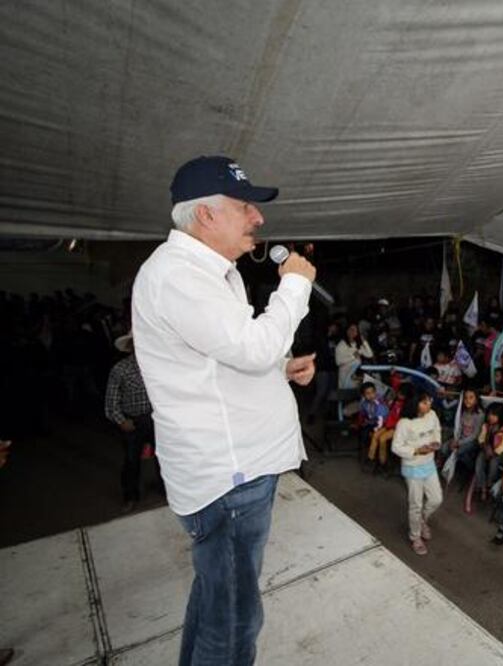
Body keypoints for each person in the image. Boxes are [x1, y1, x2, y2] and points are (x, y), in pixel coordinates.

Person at [132, 155, 318, 665]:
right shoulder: (178, 277)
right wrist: (295, 285)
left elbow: (219, 360)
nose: (258, 218)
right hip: (230, 481)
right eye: (245, 206)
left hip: (234, 473)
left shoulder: (207, 273)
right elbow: (251, 347)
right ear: (206, 216)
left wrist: (280, 369)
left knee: (215, 603)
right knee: (234, 626)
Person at [104, 331, 158, 512]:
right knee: (131, 461)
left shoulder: (156, 365)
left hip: (156, 418)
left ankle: (167, 489)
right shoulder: (120, 369)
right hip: (133, 422)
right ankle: (130, 496)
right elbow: (111, 402)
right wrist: (121, 421)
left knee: (165, 458)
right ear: (130, 347)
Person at [391, 390, 444, 556]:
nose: (429, 404)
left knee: (436, 499)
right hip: (412, 467)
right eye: (425, 402)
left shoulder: (432, 415)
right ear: (415, 404)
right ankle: (415, 537)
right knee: (415, 504)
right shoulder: (404, 423)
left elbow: (437, 430)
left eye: (429, 401)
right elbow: (396, 447)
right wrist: (416, 450)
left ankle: (422, 520)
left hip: (429, 464)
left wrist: (436, 442)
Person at [368, 382, 409, 473]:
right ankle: (371, 458)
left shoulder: (406, 406)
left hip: (396, 428)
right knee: (375, 436)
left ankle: (383, 462)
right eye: (399, 393)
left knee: (382, 439)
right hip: (388, 425)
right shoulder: (395, 402)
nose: (399, 395)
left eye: (401, 394)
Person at [475, 402, 503, 502]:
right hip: (485, 449)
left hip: (498, 453)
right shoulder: (486, 426)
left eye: (494, 415)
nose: (491, 417)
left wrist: (494, 453)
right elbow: (481, 438)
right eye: (489, 414)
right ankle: (482, 486)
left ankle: (489, 483)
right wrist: (484, 447)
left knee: (493, 465)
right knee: (479, 463)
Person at [335, 323, 373, 389]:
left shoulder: (357, 344)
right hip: (345, 377)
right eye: (351, 329)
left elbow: (370, 355)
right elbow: (338, 362)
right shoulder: (341, 345)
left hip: (355, 378)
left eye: (355, 330)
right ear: (347, 331)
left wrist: (364, 342)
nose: (353, 332)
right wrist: (353, 356)